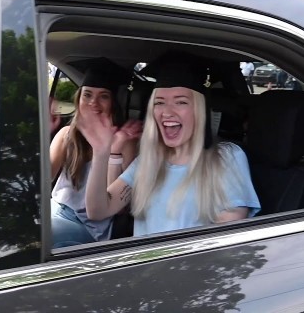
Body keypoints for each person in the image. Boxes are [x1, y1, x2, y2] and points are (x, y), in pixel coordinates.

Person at [82, 52, 260, 237]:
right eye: (159, 102)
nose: (167, 112)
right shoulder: (148, 161)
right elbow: (97, 211)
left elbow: (226, 239)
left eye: (180, 102)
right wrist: (101, 153)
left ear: (199, 110)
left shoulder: (226, 158)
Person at [50, 58, 142, 248]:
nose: (94, 103)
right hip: (55, 211)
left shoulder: (124, 141)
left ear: (113, 103)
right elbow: (40, 182)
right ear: (79, 98)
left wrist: (112, 152)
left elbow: (119, 208)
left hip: (89, 228)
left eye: (104, 96)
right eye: (88, 95)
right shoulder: (67, 135)